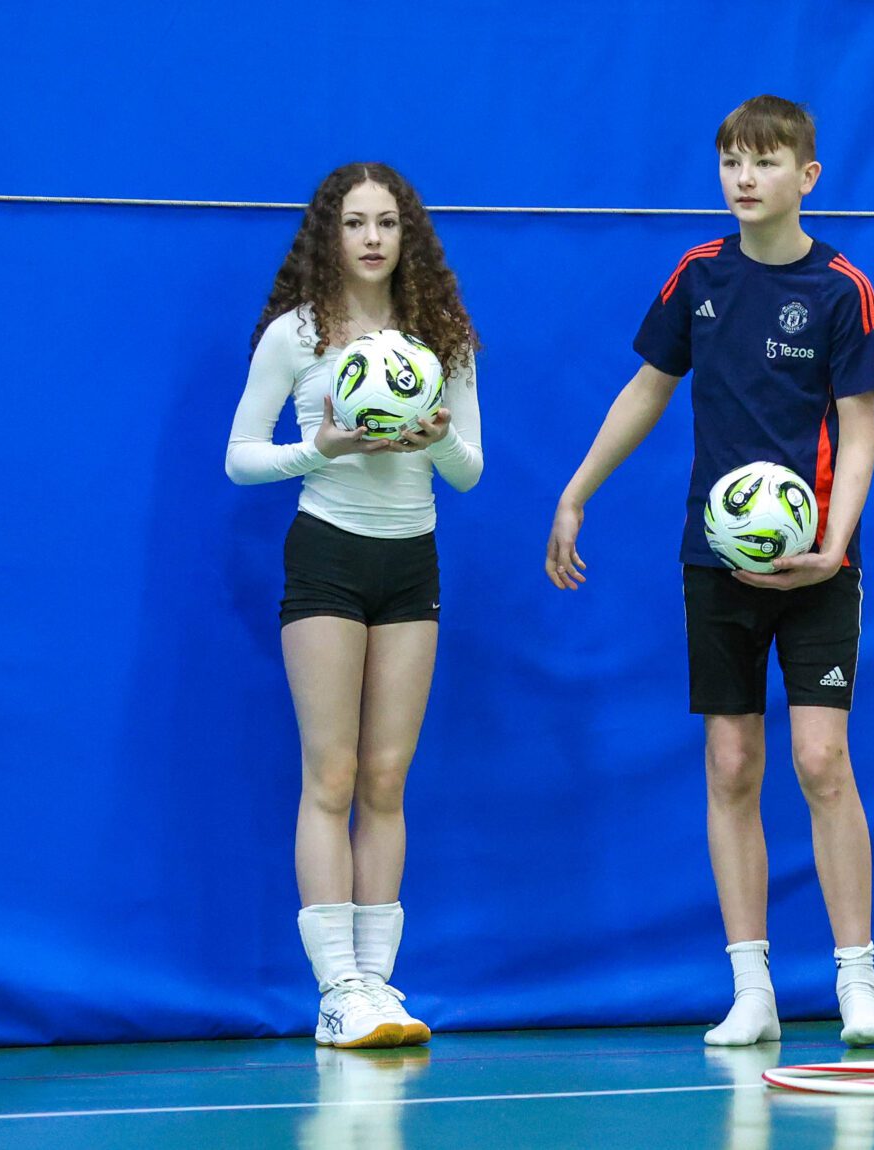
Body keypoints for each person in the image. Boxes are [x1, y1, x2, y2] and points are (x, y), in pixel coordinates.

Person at [545, 95, 874, 1047]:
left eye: (766, 162)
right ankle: (752, 988)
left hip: (819, 564)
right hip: (715, 561)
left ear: (807, 177)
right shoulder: (698, 276)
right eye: (732, 162)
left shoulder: (844, 290)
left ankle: (858, 980)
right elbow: (646, 389)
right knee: (732, 762)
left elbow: (860, 433)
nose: (746, 178)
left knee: (821, 760)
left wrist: (833, 542)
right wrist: (577, 492)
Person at [226, 162, 483, 1048]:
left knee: (385, 779)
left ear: (408, 235)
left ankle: (377, 984)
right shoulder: (297, 334)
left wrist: (438, 438)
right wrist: (322, 448)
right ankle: (336, 990)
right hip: (328, 556)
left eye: (387, 223)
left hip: (413, 561)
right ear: (327, 236)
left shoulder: (441, 336)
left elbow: (469, 471)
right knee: (331, 776)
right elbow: (240, 456)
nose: (372, 239)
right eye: (354, 223)